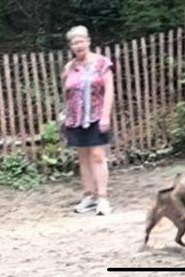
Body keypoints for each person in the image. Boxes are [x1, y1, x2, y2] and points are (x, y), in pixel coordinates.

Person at [61, 25, 114, 215]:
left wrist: (105, 116)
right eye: (74, 43)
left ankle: (102, 198)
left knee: (98, 156)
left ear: (88, 41)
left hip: (96, 116)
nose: (78, 45)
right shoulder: (70, 67)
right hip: (75, 119)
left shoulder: (101, 63)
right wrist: (65, 115)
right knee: (83, 158)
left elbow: (109, 91)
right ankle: (89, 196)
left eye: (81, 41)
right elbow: (66, 92)